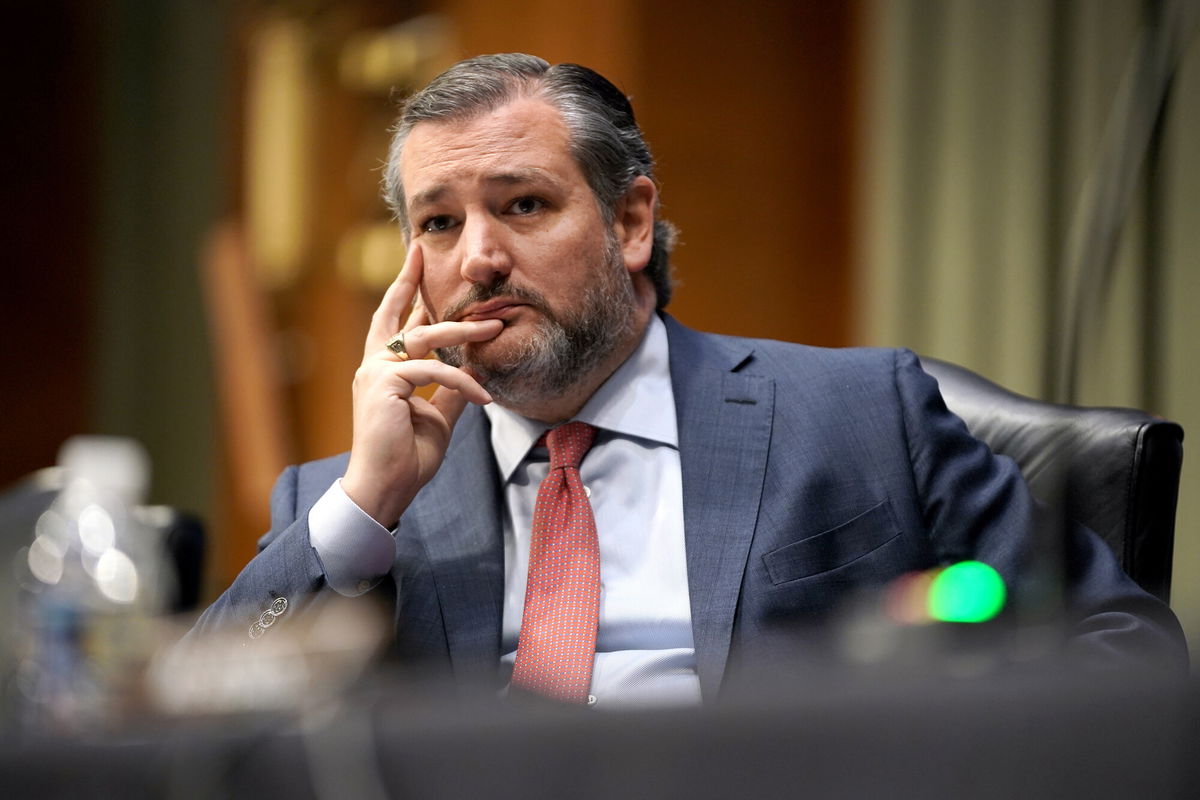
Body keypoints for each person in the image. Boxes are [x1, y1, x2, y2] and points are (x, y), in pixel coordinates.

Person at [192, 53, 1186, 705]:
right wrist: (367, 502)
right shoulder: (346, 509)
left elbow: (1121, 653)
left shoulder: (857, 414)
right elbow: (186, 730)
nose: (478, 258)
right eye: (439, 222)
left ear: (629, 222)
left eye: (524, 204)